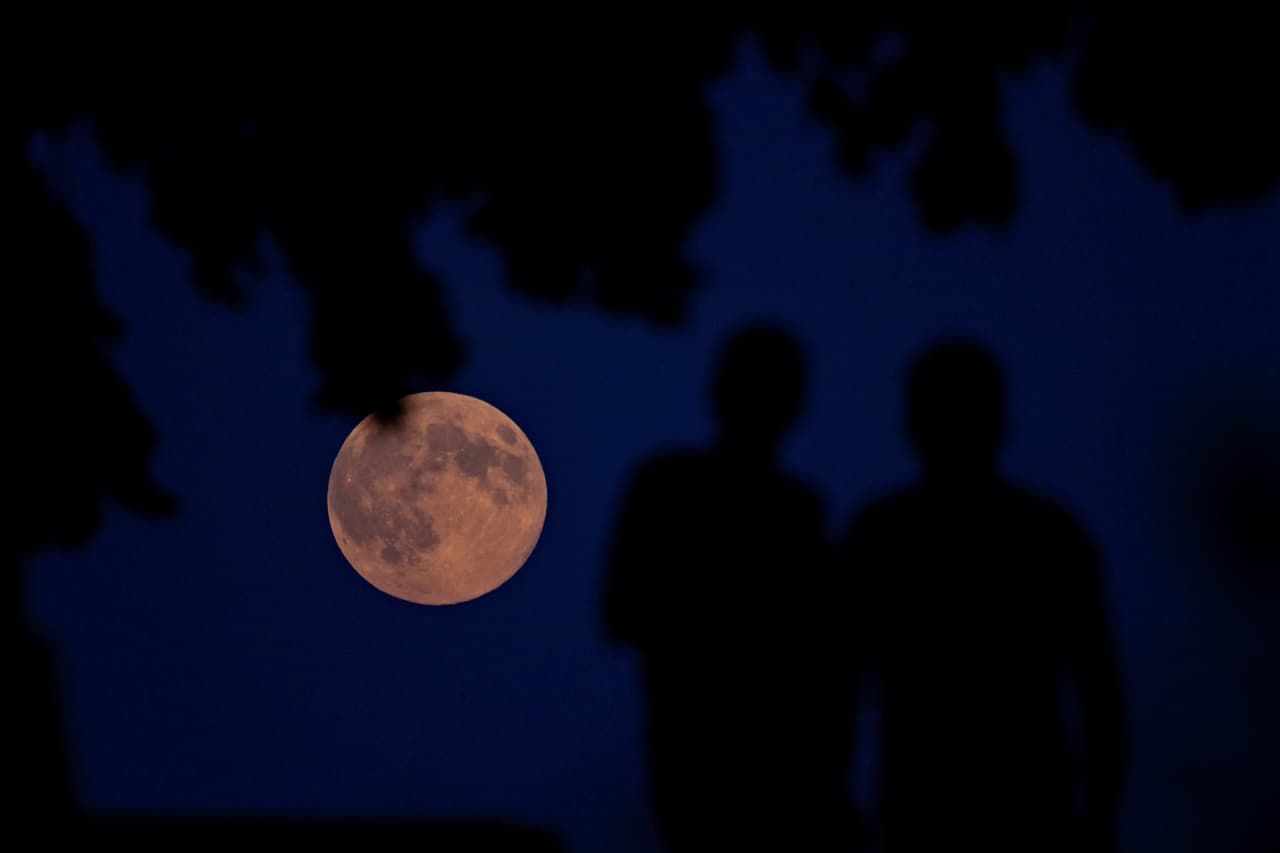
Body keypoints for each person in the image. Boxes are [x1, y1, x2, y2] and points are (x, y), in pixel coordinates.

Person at [840, 337, 1127, 852]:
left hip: (929, 807)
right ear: (1002, 420)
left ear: (911, 423)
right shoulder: (1050, 533)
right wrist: (1100, 816)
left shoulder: (881, 533)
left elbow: (838, 684)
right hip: (1018, 808)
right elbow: (1099, 691)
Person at [604, 324, 853, 851]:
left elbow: (621, 614)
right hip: (728, 759)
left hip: (733, 758)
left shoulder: (790, 509)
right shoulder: (793, 510)